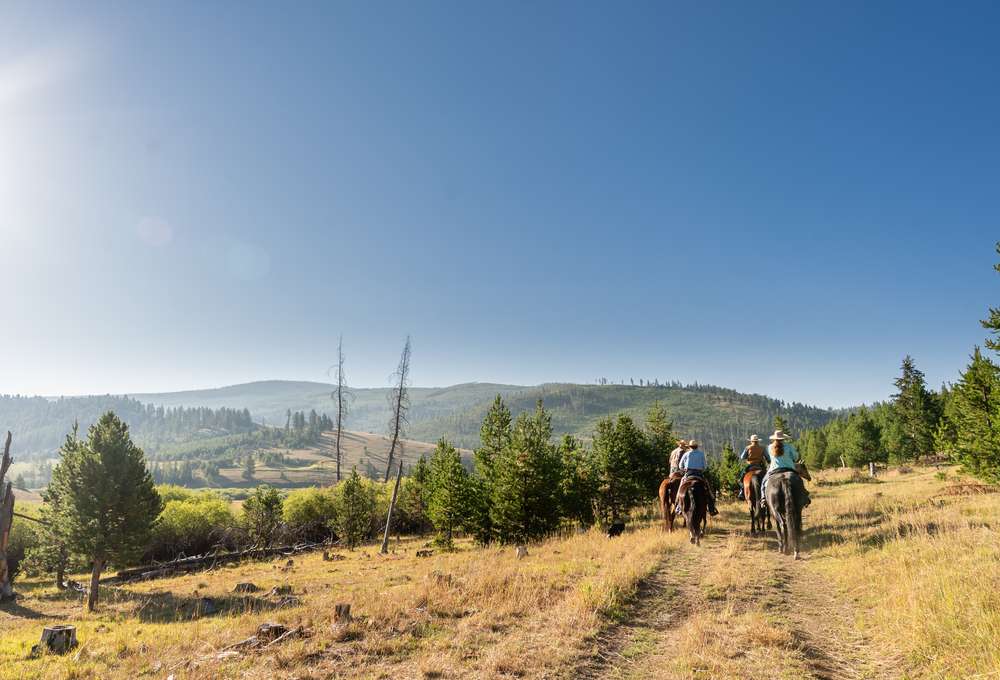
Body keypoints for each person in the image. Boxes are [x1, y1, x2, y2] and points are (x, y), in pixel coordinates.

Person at [760, 430, 811, 508]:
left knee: (763, 483)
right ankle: (804, 497)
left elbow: (770, 458)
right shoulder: (789, 446)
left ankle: (763, 499)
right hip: (789, 469)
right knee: (799, 481)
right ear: (783, 438)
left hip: (774, 470)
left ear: (774, 438)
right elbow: (796, 457)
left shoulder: (770, 447)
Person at [677, 440, 719, 516]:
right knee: (707, 488)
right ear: (697, 446)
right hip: (699, 474)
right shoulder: (701, 454)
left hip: (688, 473)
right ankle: (711, 508)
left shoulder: (686, 454)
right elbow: (705, 467)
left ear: (690, 447)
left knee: (680, 488)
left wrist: (684, 469)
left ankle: (679, 507)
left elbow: (680, 465)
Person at [737, 434, 770, 500]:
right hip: (760, 466)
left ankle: (742, 491)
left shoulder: (748, 448)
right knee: (768, 478)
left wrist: (748, 456)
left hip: (750, 466)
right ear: (758, 441)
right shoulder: (762, 448)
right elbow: (768, 458)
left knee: (740, 479)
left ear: (751, 441)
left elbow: (742, 457)